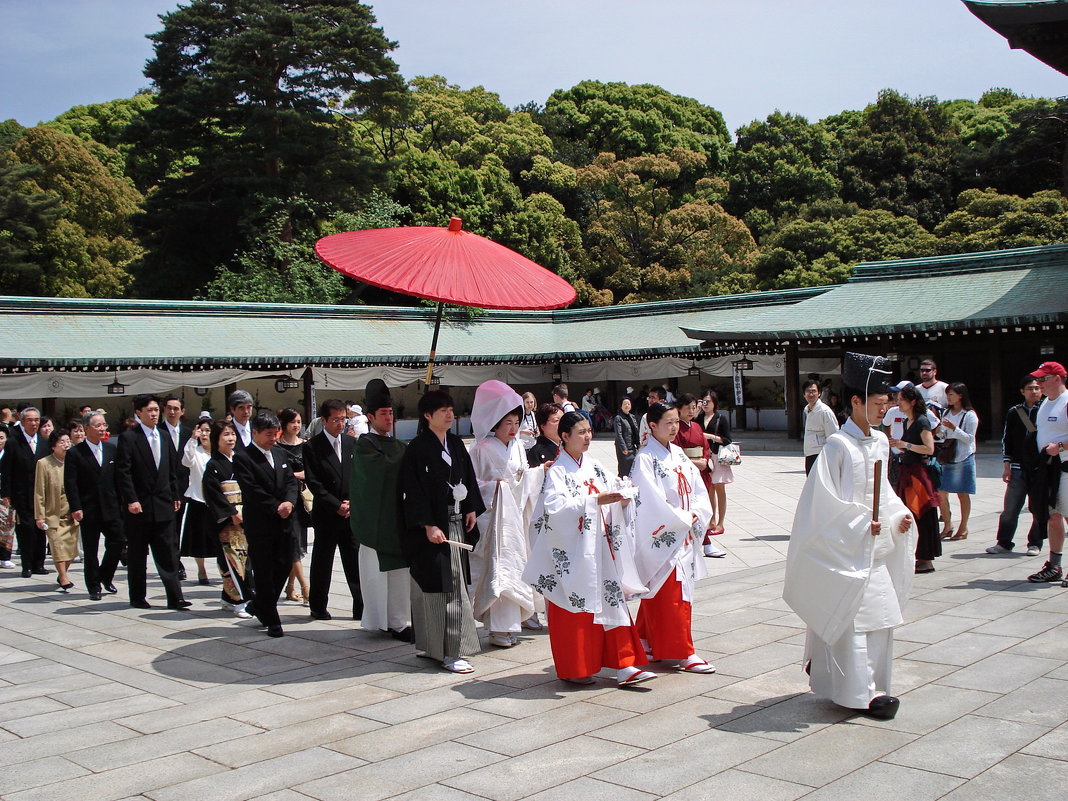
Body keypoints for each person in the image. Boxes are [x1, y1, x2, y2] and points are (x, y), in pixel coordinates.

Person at [783, 352, 915, 720]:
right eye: (876, 404)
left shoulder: (881, 443)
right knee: (853, 617)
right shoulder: (838, 446)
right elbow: (822, 503)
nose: (881, 411)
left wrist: (897, 515)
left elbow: (883, 490)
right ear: (856, 401)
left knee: (880, 617)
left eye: (885, 404)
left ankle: (874, 687)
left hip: (875, 544)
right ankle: (858, 693)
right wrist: (858, 524)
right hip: (848, 546)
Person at [523, 411, 655, 687]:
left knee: (613, 602)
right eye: (581, 432)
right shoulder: (557, 472)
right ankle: (577, 666)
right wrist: (595, 501)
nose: (587, 437)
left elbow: (612, 487)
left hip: (600, 548)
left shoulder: (592, 465)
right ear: (564, 436)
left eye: (589, 431)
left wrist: (622, 495)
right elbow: (554, 511)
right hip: (574, 552)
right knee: (576, 609)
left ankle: (625, 664)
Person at [399, 390, 485, 674]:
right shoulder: (416, 448)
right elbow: (411, 491)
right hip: (434, 529)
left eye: (451, 410)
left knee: (455, 586)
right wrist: (427, 524)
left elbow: (469, 478)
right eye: (443, 411)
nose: (450, 415)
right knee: (439, 588)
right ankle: (445, 651)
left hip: (457, 522)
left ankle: (444, 647)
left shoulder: (457, 443)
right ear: (427, 415)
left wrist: (471, 507)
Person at [631, 401, 717, 673]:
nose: (673, 427)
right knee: (672, 593)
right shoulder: (645, 458)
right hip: (666, 532)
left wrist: (698, 514)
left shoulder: (679, 454)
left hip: (684, 529)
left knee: (666, 591)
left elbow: (697, 490)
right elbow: (648, 500)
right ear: (652, 426)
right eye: (666, 422)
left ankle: (645, 639)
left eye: (675, 422)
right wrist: (679, 519)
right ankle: (683, 651)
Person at [468, 381, 545, 647]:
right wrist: (497, 487)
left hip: (516, 516)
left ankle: (511, 625)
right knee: (498, 571)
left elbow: (522, 477)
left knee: (517, 567)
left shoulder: (518, 447)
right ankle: (498, 628)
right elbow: (473, 485)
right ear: (494, 424)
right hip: (494, 520)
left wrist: (538, 473)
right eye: (507, 424)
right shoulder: (481, 449)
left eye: (516, 422)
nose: (513, 429)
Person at [350, 379, 412, 641]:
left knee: (400, 574)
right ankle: (379, 620)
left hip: (397, 519)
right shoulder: (365, 445)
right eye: (383, 414)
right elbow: (375, 477)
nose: (388, 418)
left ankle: (399, 621)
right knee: (377, 573)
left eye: (390, 413)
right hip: (376, 522)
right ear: (370, 417)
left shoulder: (398, 445)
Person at [115, 395, 189, 611]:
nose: (154, 414)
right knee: (138, 554)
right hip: (139, 506)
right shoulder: (129, 438)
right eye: (149, 410)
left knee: (168, 552)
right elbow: (123, 472)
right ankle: (138, 596)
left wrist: (175, 495)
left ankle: (175, 597)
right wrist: (131, 500)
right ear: (138, 413)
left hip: (163, 503)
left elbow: (172, 470)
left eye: (157, 410)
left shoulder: (164, 436)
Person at [233, 412, 299, 637]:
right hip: (261, 522)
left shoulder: (280, 453)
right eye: (269, 434)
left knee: (284, 564)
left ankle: (260, 604)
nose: (273, 438)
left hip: (285, 521)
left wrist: (290, 502)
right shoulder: (243, 457)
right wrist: (276, 506)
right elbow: (252, 490)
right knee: (263, 570)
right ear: (256, 433)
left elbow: (291, 480)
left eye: (275, 433)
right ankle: (272, 619)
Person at [303, 398, 361, 621]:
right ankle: (318, 606)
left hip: (349, 513)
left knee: (354, 561)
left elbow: (358, 477)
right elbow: (314, 483)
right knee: (322, 561)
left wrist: (351, 502)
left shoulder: (350, 443)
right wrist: (336, 504)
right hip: (327, 513)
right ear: (324, 420)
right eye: (335, 419)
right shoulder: (312, 447)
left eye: (343, 419)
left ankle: (360, 607)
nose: (340, 424)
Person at [65, 411, 124, 600]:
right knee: (90, 550)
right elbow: (71, 482)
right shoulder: (75, 453)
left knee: (118, 541)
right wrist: (76, 507)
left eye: (104, 425)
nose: (102, 429)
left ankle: (105, 576)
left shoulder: (111, 449)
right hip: (88, 508)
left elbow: (118, 479)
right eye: (98, 425)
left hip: (111, 506)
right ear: (86, 428)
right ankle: (93, 586)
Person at [987, 376, 1047, 556]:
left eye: (1037, 388)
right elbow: (1008, 439)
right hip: (1018, 467)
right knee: (1010, 508)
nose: (1034, 391)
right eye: (1030, 388)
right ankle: (1004, 542)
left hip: (1040, 467)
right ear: (1022, 391)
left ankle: (1035, 543)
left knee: (1037, 507)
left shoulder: (1046, 409)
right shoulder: (1015, 412)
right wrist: (1007, 465)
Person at [201, 419, 254, 619]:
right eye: (225, 435)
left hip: (244, 516)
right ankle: (239, 602)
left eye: (232, 434)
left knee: (244, 559)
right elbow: (213, 493)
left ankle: (228, 598)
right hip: (227, 520)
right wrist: (231, 512)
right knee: (232, 562)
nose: (231, 438)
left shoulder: (239, 459)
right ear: (216, 439)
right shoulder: (213, 465)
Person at [887, 384, 941, 574]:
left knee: (921, 513)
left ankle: (926, 558)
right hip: (907, 469)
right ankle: (918, 555)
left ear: (912, 402)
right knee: (910, 514)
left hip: (918, 474)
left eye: (901, 399)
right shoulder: (907, 421)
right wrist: (899, 446)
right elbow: (910, 447)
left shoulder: (921, 421)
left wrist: (905, 444)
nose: (898, 402)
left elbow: (929, 448)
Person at [1026, 362, 1068, 584]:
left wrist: (1060, 447)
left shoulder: (1066, 402)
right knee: (1053, 516)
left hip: (1065, 467)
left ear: (1057, 378)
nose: (1038, 383)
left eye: (1043, 379)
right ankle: (1054, 565)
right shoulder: (1044, 404)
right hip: (1048, 469)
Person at [674, 394, 725, 558]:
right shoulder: (676, 428)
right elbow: (677, 453)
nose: (691, 411)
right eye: (687, 407)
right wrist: (696, 462)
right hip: (686, 472)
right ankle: (705, 543)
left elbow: (705, 446)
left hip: (701, 471)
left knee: (703, 507)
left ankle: (704, 541)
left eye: (693, 407)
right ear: (679, 409)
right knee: (690, 508)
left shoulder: (696, 426)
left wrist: (705, 459)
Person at [34, 428, 78, 592]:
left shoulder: (74, 461)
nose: (66, 445)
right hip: (53, 513)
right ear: (53, 446)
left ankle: (62, 574)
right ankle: (64, 577)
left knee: (71, 550)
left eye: (68, 441)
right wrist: (40, 515)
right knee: (58, 546)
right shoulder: (44, 463)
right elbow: (39, 491)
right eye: (62, 442)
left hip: (72, 512)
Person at [9, 406, 50, 577]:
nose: (33, 424)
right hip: (22, 494)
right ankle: (26, 565)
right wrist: (6, 494)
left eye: (36, 420)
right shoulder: (13, 442)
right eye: (30, 420)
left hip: (41, 495)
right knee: (26, 530)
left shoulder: (45, 443)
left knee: (41, 528)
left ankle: (38, 564)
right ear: (23, 422)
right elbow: (7, 469)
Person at [276, 408, 311, 605]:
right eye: (293, 422)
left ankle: (290, 587)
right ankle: (305, 587)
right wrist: (295, 475)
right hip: (285, 500)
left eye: (299, 421)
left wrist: (296, 475)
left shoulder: (305, 446)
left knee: (296, 545)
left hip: (302, 500)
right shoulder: (277, 447)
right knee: (293, 545)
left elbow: (312, 471)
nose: (296, 426)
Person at [179, 418, 219, 586]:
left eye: (207, 430)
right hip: (198, 500)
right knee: (198, 539)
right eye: (201, 430)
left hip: (217, 502)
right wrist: (192, 439)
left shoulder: (219, 453)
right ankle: (201, 570)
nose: (204, 434)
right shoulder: (195, 451)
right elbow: (186, 461)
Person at [938, 382, 978, 541]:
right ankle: (948, 525)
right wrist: (940, 431)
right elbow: (942, 435)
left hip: (963, 457)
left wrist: (954, 429)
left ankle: (963, 527)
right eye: (947, 394)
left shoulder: (969, 415)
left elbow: (969, 439)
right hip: (948, 456)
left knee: (963, 494)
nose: (948, 397)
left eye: (951, 394)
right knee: (941, 492)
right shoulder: (947, 413)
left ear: (960, 395)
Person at [162, 395, 192, 580]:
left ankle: (176, 559)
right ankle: (172, 561)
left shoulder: (189, 433)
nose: (172, 412)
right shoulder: (157, 432)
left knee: (178, 525)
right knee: (167, 528)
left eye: (176, 408)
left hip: (182, 485)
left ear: (182, 411)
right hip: (163, 486)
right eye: (169, 408)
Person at [697, 389, 733, 536]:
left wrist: (711, 436)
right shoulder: (699, 418)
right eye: (703, 402)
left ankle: (720, 523)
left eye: (708, 402)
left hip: (718, 456)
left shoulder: (720, 418)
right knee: (709, 489)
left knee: (719, 489)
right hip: (705, 456)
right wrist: (697, 409)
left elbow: (727, 439)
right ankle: (711, 520)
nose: (705, 404)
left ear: (714, 403)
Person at [803, 379, 839, 475]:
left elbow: (833, 435)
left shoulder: (825, 411)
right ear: (804, 394)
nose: (811, 394)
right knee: (811, 485)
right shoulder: (807, 410)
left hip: (821, 454)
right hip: (809, 453)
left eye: (814, 391)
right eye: (808, 391)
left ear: (819, 393)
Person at [526, 403, 563, 468]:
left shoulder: (569, 446)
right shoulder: (536, 453)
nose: (561, 424)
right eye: (556, 420)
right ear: (543, 426)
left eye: (563, 420)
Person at [612, 396, 640, 478]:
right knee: (624, 468)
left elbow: (636, 432)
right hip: (623, 448)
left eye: (628, 404)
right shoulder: (618, 418)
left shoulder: (632, 417)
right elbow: (619, 434)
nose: (627, 405)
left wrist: (638, 444)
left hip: (632, 446)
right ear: (621, 406)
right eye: (625, 404)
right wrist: (623, 447)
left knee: (633, 467)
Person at [0, 423, 14, 568]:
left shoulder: (10, 453)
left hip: (5, 495)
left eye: (1, 438)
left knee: (7, 527)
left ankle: (5, 555)